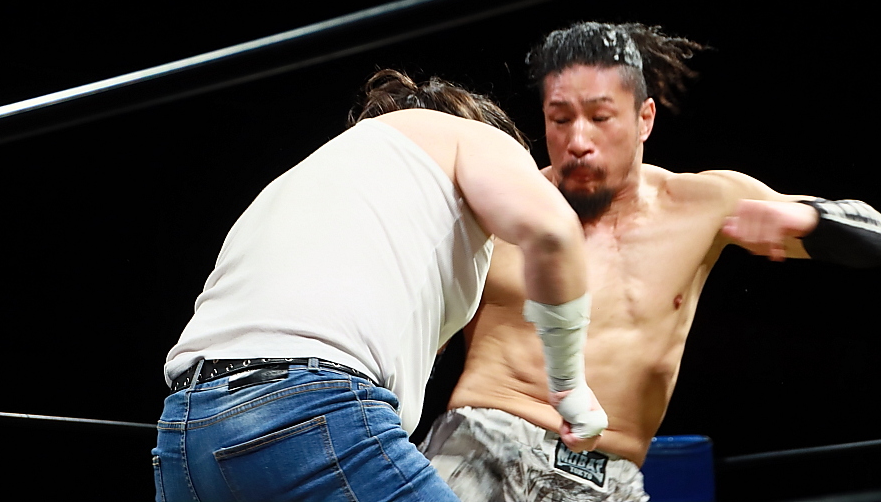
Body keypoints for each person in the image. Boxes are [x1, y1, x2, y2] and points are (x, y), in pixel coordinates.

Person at [418, 22, 881, 502]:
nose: (578, 139)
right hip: (483, 444)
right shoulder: (503, 203)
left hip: (609, 479)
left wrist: (809, 219)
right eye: (560, 119)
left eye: (600, 117)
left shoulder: (702, 203)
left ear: (644, 119)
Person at [152, 69, 608, 502]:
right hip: (305, 410)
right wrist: (568, 387)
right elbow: (554, 233)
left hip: (184, 437)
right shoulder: (471, 137)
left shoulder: (315, 180)